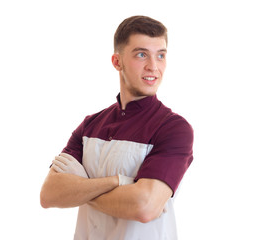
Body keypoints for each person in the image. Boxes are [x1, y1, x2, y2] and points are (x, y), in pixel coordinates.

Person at [40, 15, 194, 240]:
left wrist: (80, 190)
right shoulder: (89, 126)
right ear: (117, 62)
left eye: (160, 55)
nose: (153, 66)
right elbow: (49, 194)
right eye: (142, 54)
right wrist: (120, 182)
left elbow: (145, 207)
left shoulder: (174, 129)